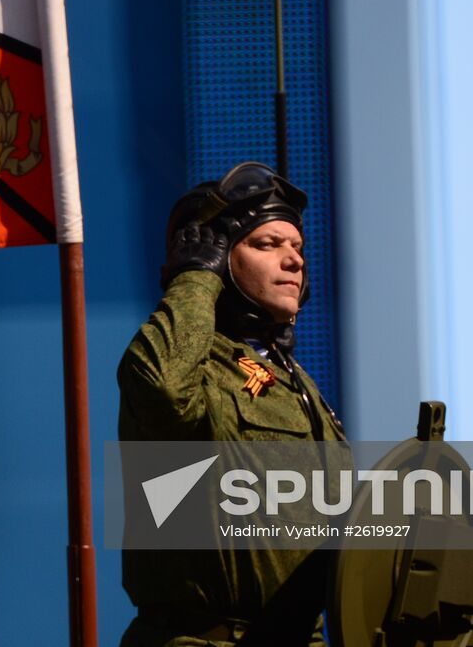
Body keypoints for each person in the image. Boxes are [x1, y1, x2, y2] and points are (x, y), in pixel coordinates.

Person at [118, 161, 346, 647]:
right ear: (219, 260)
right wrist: (196, 280)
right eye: (267, 244)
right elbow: (163, 390)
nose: (294, 260)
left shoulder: (295, 381)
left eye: (298, 247)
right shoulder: (197, 366)